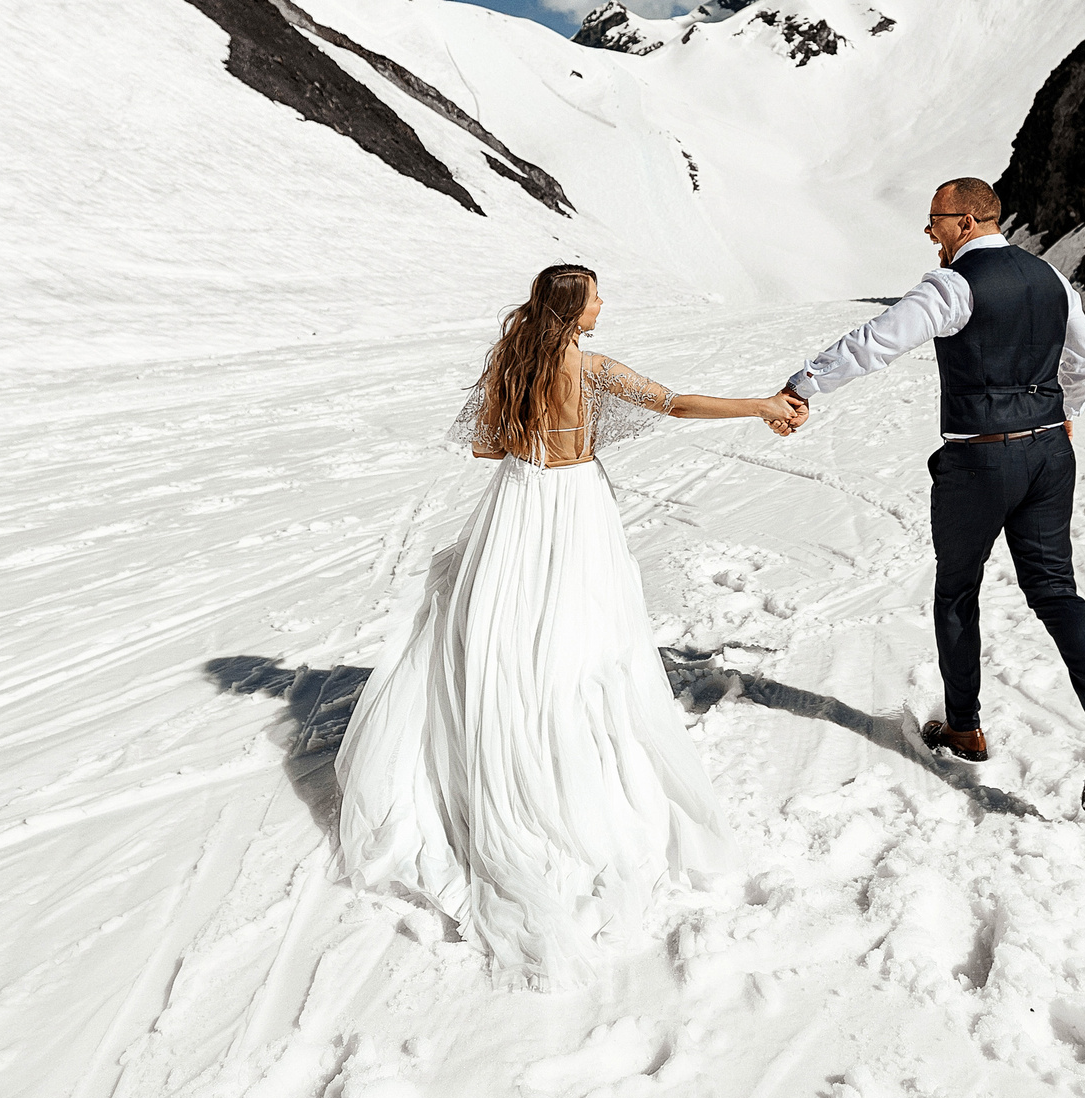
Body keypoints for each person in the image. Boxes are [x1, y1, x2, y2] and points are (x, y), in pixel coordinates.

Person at [332, 262, 805, 987]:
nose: (603, 303)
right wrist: (762, 404)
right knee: (583, 638)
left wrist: (537, 427)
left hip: (515, 504)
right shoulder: (588, 364)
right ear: (572, 308)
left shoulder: (514, 359)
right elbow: (673, 404)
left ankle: (509, 749)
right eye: (594, 295)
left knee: (503, 631)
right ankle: (572, 773)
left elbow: (487, 445)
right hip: (574, 508)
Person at [773, 177, 1085, 814]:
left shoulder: (954, 284)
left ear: (967, 222)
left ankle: (965, 727)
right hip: (1051, 451)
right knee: (1055, 589)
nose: (929, 232)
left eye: (936, 220)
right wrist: (1063, 410)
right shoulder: (1050, 277)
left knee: (958, 588)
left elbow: (876, 343)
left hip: (979, 459)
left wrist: (802, 385)